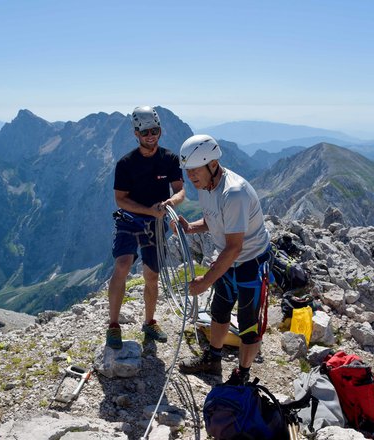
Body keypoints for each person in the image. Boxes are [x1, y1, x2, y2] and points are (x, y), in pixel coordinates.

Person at [175, 134, 270, 385]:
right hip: (230, 258)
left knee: (249, 323)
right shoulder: (207, 186)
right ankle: (213, 360)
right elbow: (214, 219)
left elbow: (234, 247)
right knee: (220, 308)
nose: (191, 176)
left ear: (213, 165)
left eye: (196, 170)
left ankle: (242, 375)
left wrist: (205, 281)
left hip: (251, 262)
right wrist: (191, 228)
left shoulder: (234, 193)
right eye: (188, 171)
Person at [106, 106, 185, 349]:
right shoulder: (126, 164)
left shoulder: (170, 159)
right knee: (122, 266)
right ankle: (113, 325)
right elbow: (121, 199)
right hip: (130, 221)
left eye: (154, 130)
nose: (150, 135)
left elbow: (181, 191)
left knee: (152, 275)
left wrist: (170, 202)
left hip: (156, 222)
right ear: (136, 134)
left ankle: (149, 322)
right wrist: (149, 210)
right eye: (145, 131)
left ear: (160, 131)